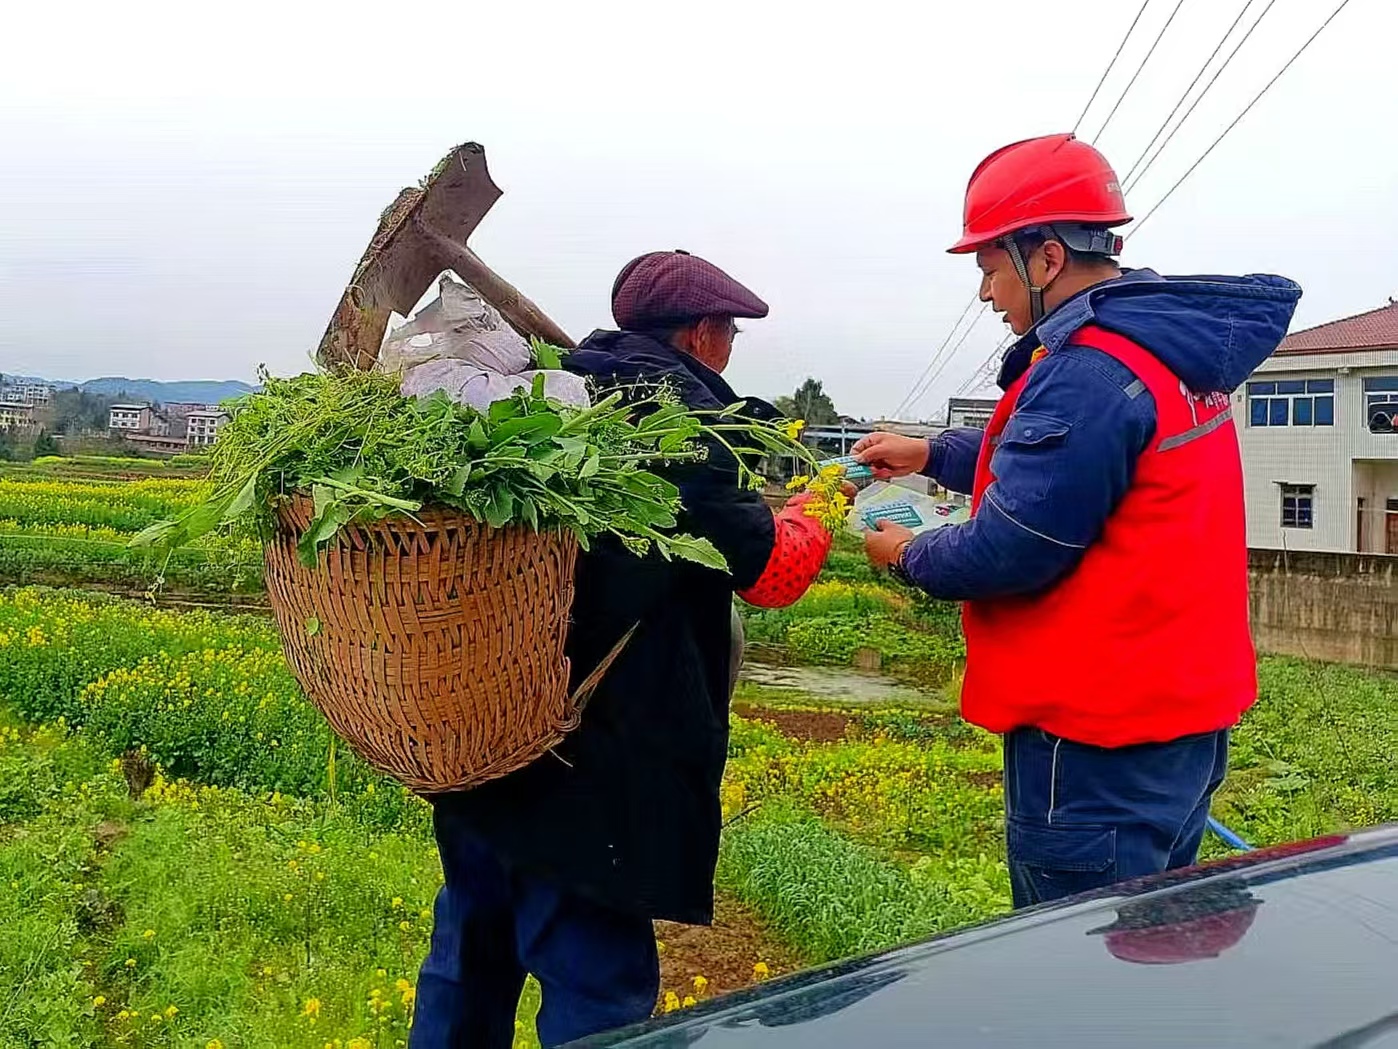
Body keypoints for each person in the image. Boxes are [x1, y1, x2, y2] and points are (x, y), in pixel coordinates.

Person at [854, 133, 1301, 909]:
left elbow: (1010, 547)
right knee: (1157, 949)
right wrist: (930, 450)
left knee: (1086, 977)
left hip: (1094, 741)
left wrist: (906, 553)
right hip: (1178, 726)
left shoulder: (1088, 370)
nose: (988, 294)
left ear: (1048, 258)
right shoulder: (1161, 351)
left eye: (991, 269)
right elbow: (1062, 470)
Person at [411, 250, 837, 1048]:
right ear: (705, 334)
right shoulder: (684, 427)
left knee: (469, 959)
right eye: (732, 335)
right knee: (596, 988)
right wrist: (825, 505)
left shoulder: (549, 391)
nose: (731, 349)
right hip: (596, 766)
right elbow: (773, 573)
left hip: (486, 737)